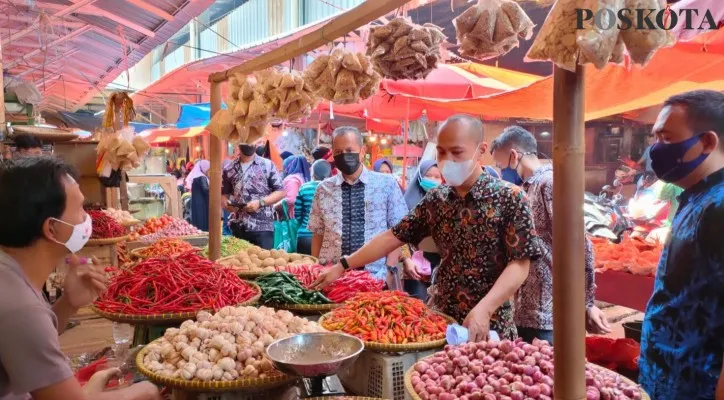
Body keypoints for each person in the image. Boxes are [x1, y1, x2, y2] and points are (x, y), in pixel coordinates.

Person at [312, 115, 541, 341]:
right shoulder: (437, 200)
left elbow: (520, 264)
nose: (447, 159)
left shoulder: (510, 197)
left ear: (480, 150)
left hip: (491, 325)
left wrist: (486, 309)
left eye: (457, 152)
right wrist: (343, 265)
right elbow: (392, 237)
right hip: (441, 321)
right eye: (441, 152)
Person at [0, 156, 160, 400]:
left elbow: (27, 345)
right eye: (81, 209)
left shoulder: (10, 274)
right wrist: (144, 391)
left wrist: (68, 304)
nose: (88, 220)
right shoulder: (19, 306)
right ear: (51, 228)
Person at [638, 90, 724, 400]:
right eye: (655, 138)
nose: (656, 149)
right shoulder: (696, 196)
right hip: (667, 377)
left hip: (697, 383)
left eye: (666, 137)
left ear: (707, 142)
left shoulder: (721, 205)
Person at [491, 126, 610, 343]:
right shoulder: (527, 188)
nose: (501, 173)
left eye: (500, 165)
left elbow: (579, 244)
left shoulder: (550, 184)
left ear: (514, 155)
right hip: (527, 309)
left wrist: (587, 303)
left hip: (550, 313)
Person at [307, 127, 408, 281]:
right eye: (338, 152)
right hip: (332, 277)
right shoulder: (323, 189)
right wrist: (315, 268)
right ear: (333, 154)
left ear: (362, 151)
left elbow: (398, 232)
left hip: (374, 278)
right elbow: (318, 233)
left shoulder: (386, 184)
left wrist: (389, 271)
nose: (344, 155)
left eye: (349, 150)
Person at [222, 143, 285, 249]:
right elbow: (223, 195)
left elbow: (281, 191)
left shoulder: (268, 165)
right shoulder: (229, 168)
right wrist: (227, 205)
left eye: (252, 141)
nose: (249, 143)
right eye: (246, 141)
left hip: (263, 226)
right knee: (241, 263)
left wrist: (260, 203)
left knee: (264, 262)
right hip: (238, 226)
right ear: (238, 142)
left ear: (256, 144)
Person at [400, 160, 442, 300]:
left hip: (440, 265)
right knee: (416, 307)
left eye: (437, 177)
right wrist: (406, 259)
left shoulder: (446, 201)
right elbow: (397, 235)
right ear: (419, 176)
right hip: (414, 265)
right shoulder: (405, 202)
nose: (433, 180)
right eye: (428, 175)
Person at [295, 160, 332, 255]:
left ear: (313, 172)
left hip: (305, 235)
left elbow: (297, 213)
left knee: (305, 268)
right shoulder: (332, 188)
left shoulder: (304, 188)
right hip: (326, 237)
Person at [186, 160, 210, 232]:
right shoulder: (201, 177)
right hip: (201, 204)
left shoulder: (196, 175)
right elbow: (206, 190)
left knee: (197, 220)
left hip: (197, 202)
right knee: (201, 220)